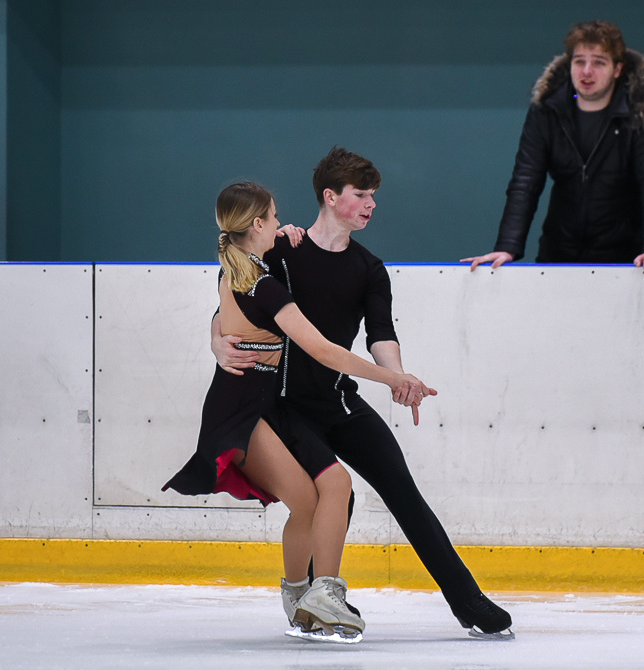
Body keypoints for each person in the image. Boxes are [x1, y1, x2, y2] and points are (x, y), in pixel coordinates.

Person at [212, 147, 515, 639]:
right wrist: (215, 340)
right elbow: (234, 296)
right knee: (336, 496)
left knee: (405, 494)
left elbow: (380, 334)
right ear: (331, 197)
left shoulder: (369, 268)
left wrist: (398, 376)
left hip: (339, 402)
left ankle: (469, 602)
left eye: (374, 195)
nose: (371, 204)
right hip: (286, 407)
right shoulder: (282, 249)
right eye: (361, 195)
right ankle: (316, 601)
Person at [164, 182, 433, 643]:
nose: (279, 223)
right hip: (242, 409)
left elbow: (225, 317)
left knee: (331, 487)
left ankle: (313, 593)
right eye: (273, 216)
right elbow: (323, 350)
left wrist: (216, 337)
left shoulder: (241, 270)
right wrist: (394, 379)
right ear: (258, 224)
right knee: (312, 497)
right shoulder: (261, 284)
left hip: (268, 402)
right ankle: (309, 595)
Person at [461, 19, 644, 273]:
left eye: (598, 62)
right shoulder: (548, 110)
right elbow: (525, 181)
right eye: (579, 61)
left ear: (617, 69)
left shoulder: (638, 114)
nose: (586, 71)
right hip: (558, 252)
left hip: (622, 256)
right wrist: (507, 246)